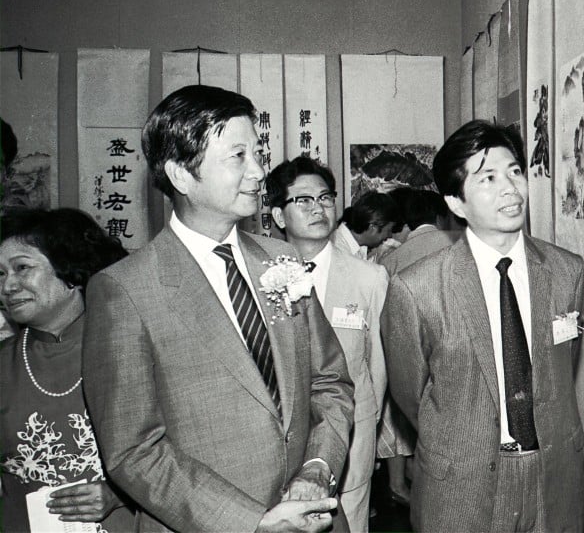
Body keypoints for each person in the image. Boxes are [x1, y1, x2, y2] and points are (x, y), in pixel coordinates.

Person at [82, 85, 356, 533]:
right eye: (239, 156)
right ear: (181, 175)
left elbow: (330, 383)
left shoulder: (281, 261)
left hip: (313, 518)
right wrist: (253, 524)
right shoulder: (124, 290)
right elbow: (134, 451)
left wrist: (316, 468)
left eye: (258, 153)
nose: (259, 171)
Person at [382, 120, 584, 532]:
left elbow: (561, 367)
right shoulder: (417, 287)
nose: (510, 188)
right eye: (488, 178)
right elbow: (411, 394)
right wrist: (463, 434)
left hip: (552, 474)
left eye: (514, 171)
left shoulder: (567, 271)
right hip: (461, 484)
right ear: (457, 204)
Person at [266, 156, 388, 533]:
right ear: (278, 215)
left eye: (325, 198)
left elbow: (378, 368)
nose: (318, 208)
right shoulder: (260, 275)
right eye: (303, 200)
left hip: (350, 434)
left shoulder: (369, 277)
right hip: (276, 439)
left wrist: (369, 425)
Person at [0, 208, 134, 533]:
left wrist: (122, 492)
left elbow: (186, 446)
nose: (8, 285)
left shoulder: (132, 346)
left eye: (22, 268)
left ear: (70, 268)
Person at [376, 188, 461, 505]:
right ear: (440, 215)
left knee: (404, 414)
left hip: (411, 352)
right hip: (458, 353)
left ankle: (402, 482)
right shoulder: (460, 244)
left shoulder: (391, 259)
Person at [336, 191, 398, 260]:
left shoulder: (357, 247)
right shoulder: (337, 251)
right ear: (372, 228)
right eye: (389, 230)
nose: (390, 235)